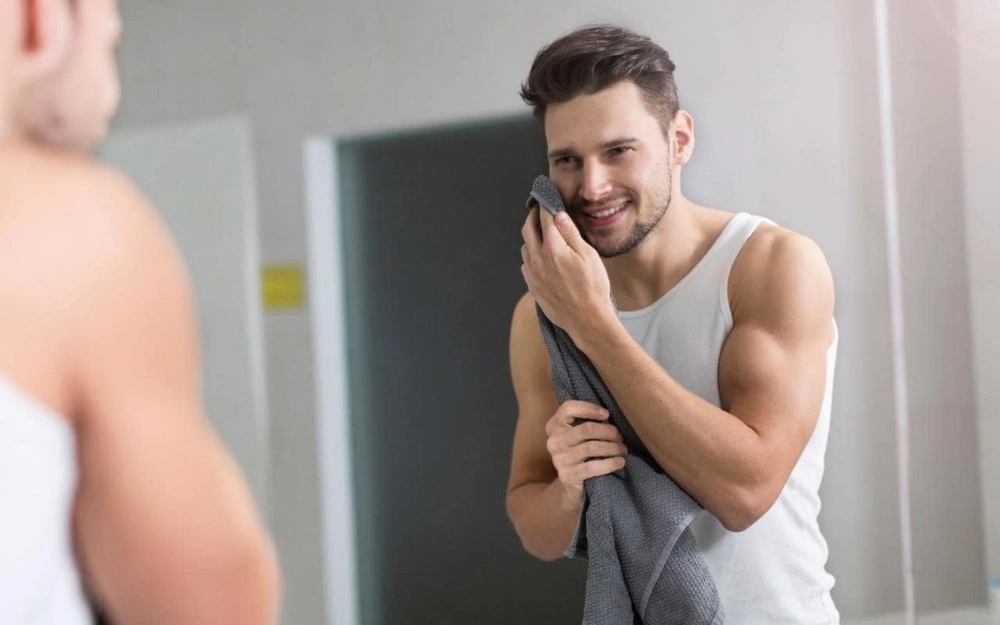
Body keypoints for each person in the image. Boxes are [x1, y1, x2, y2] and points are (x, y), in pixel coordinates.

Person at [506, 24, 840, 623]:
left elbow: (746, 493)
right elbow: (535, 528)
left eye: (618, 151)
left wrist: (595, 324)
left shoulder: (769, 266)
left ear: (678, 139)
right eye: (567, 160)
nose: (592, 186)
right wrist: (570, 488)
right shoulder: (540, 316)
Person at [0, 1, 280, 623]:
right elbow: (216, 609)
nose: (115, 30)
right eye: (108, 32)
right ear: (40, 20)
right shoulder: (65, 224)